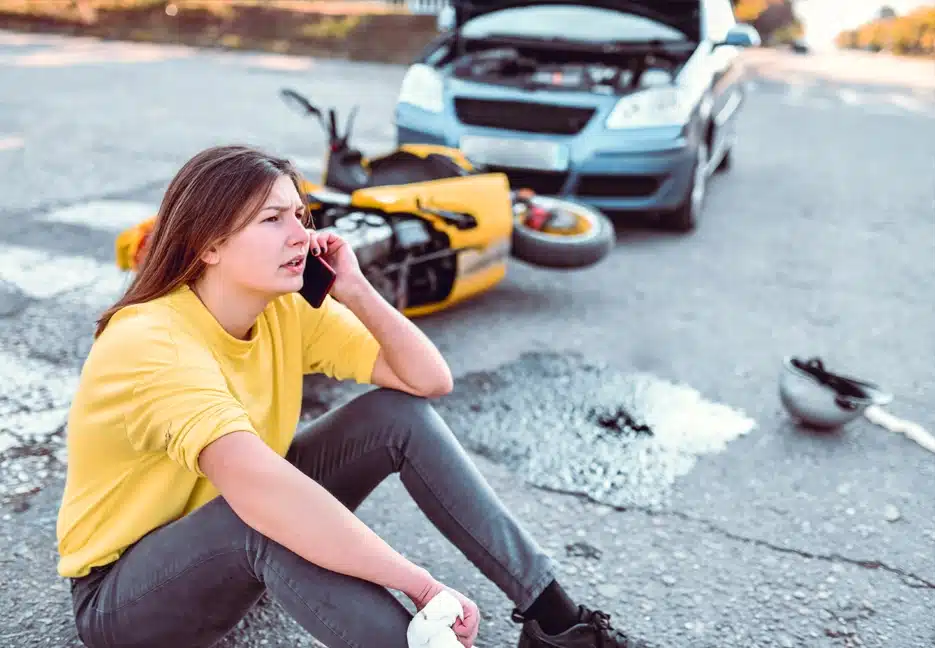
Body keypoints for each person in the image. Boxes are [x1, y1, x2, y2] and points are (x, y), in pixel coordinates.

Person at [56, 145, 653, 648]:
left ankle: (558, 620)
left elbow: (427, 381)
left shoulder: (285, 307)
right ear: (208, 245)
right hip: (125, 596)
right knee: (261, 515)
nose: (302, 234)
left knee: (394, 415)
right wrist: (418, 583)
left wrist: (358, 291)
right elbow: (261, 492)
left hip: (236, 538)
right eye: (273, 220)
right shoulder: (153, 340)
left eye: (301, 213)